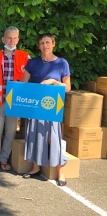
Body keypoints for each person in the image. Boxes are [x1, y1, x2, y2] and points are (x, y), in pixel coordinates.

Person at [22, 33, 71, 186]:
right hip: (35, 105)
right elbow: (24, 84)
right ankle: (36, 167)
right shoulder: (33, 62)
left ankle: (60, 171)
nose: (45, 45)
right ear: (38, 46)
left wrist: (53, 82)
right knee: (35, 134)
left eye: (48, 42)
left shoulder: (62, 63)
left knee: (53, 137)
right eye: (42, 43)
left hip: (52, 106)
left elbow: (67, 87)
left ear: (54, 44)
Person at [0, 26, 29, 171]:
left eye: (14, 38)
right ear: (3, 39)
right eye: (9, 38)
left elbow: (29, 81)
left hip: (15, 102)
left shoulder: (25, 57)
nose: (11, 41)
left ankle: (4, 159)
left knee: (11, 131)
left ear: (18, 39)